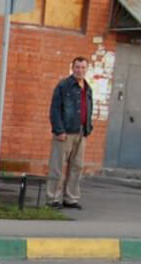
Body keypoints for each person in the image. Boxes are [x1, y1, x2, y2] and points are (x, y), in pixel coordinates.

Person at [46, 56, 93, 210]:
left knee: (77, 166)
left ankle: (70, 198)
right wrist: (59, 130)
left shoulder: (87, 88)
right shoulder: (63, 86)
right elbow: (55, 109)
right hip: (65, 132)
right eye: (77, 67)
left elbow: (88, 108)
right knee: (57, 166)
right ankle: (53, 198)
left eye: (83, 67)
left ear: (87, 69)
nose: (80, 70)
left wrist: (88, 127)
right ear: (72, 68)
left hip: (81, 131)